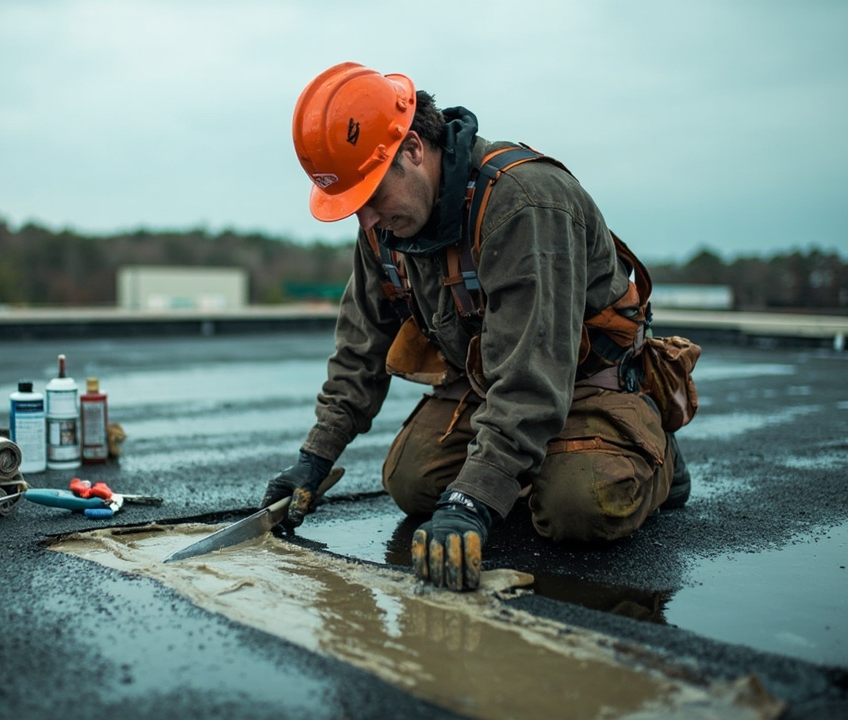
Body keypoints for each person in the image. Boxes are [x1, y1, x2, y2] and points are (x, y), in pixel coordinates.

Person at [262, 62, 691, 592]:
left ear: (415, 149)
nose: (366, 220)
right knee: (412, 483)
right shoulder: (385, 229)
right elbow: (359, 352)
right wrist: (313, 459)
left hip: (582, 382)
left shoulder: (522, 203)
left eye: (371, 195)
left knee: (580, 510)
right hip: (495, 383)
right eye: (353, 204)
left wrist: (473, 501)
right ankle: (533, 464)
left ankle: (657, 458)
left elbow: (533, 376)